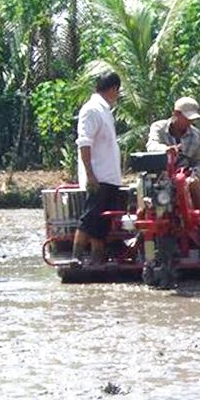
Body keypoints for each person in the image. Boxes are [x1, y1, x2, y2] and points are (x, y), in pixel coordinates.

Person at [73, 72, 124, 265]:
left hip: (109, 177)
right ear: (113, 89)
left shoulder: (105, 111)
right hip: (98, 176)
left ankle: (97, 260)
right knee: (89, 219)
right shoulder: (91, 110)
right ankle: (76, 258)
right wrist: (90, 175)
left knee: (101, 225)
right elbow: (84, 143)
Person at [147, 96, 200, 242]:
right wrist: (165, 149)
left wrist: (195, 174)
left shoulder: (197, 136)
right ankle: (142, 233)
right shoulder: (158, 127)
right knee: (143, 189)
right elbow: (151, 145)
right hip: (160, 175)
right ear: (176, 114)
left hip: (183, 177)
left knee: (193, 183)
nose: (190, 122)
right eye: (187, 118)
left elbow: (199, 162)